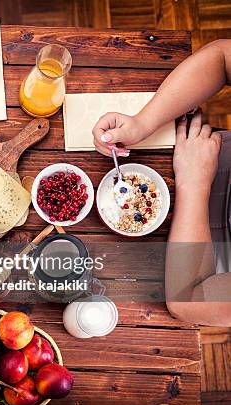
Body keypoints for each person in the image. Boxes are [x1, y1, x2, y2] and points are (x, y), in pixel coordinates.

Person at [91, 39, 230, 326]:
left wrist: (194, 182)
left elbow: (186, 300)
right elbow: (222, 58)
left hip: (191, 259)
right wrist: (143, 123)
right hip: (198, 148)